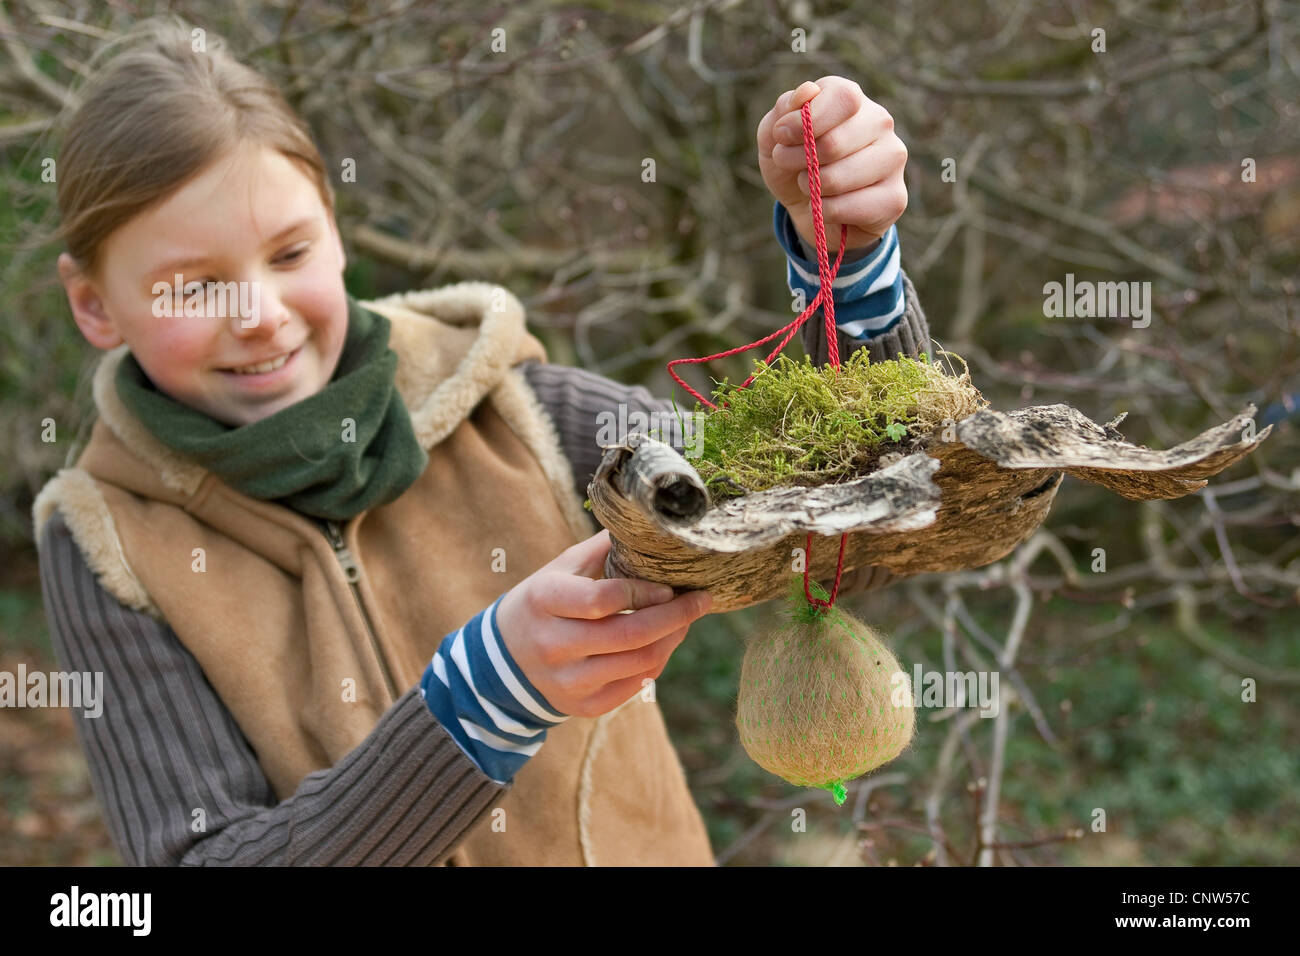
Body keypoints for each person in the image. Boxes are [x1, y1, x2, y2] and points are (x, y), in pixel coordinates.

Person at [32, 16, 931, 866]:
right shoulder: (105, 543)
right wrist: (483, 697)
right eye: (195, 285)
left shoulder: (532, 418)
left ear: (336, 234)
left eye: (291, 254)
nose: (261, 318)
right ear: (93, 305)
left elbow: (854, 530)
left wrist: (850, 268)